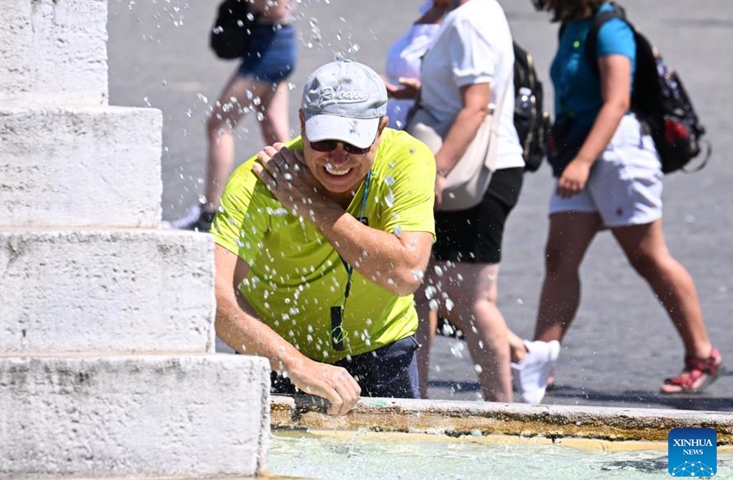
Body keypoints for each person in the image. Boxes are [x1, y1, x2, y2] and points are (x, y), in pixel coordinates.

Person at [516, 0, 724, 402]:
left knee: (649, 257)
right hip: (582, 153)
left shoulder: (610, 26)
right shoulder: (572, 26)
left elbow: (617, 102)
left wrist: (582, 161)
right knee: (559, 257)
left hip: (617, 155)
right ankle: (541, 358)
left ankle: (703, 354)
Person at [212, 60, 437, 416]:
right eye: (324, 140)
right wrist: (297, 365)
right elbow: (216, 299)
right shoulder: (257, 181)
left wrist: (313, 206)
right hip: (279, 357)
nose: (337, 156)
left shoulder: (407, 159)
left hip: (384, 346)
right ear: (302, 123)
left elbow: (405, 274)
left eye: (354, 143)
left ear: (381, 130)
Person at [389, 0, 559, 403]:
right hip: (475, 170)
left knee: (472, 302)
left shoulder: (469, 18)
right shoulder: (478, 11)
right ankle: (416, 400)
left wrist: (438, 170)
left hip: (477, 174)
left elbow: (478, 105)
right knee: (421, 291)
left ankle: (503, 413)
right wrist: (421, 90)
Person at [172, 0, 298, 232]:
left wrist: (250, 5)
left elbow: (278, 7)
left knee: (219, 124)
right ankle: (299, 202)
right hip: (278, 42)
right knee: (274, 128)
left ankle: (210, 212)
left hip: (270, 47)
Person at [383, 0, 452, 130]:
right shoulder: (430, 7)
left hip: (430, 126)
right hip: (395, 118)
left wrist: (421, 94)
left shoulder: (465, 17)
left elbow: (469, 97)